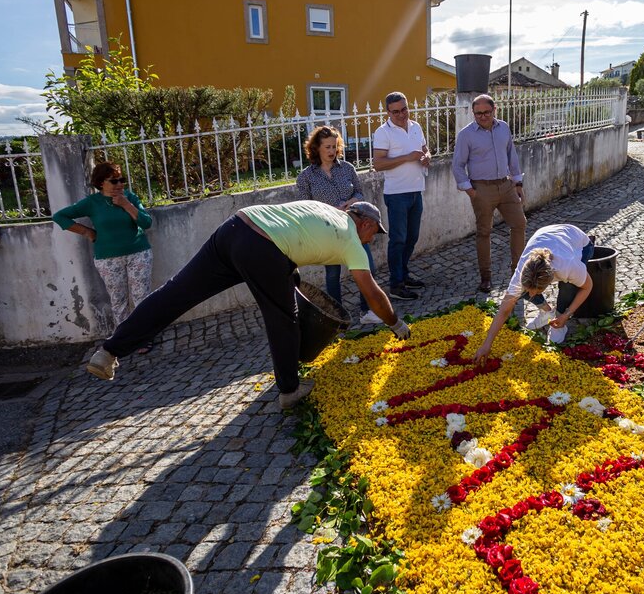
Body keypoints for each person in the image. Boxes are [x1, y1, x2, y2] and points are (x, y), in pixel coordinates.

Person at [85, 200, 410, 409]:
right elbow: (372, 293)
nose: (372, 239)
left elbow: (292, 235)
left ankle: (109, 351)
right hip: (263, 246)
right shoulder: (351, 240)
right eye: (374, 233)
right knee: (284, 318)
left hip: (235, 226)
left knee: (176, 293)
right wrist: (396, 323)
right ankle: (289, 390)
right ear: (365, 223)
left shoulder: (323, 208)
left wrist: (290, 274)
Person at [52, 162, 155, 351]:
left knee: (141, 298)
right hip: (108, 259)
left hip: (138, 253)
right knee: (118, 301)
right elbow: (60, 216)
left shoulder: (130, 197)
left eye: (121, 180)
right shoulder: (92, 203)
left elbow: (146, 223)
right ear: (101, 183)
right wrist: (87, 232)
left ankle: (143, 337)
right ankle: (125, 338)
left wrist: (126, 205)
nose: (119, 184)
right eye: (113, 181)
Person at [295, 126, 381, 325]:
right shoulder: (306, 177)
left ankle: (367, 311)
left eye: (334, 146)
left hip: (353, 227)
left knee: (367, 267)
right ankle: (337, 317)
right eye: (327, 147)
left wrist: (351, 202)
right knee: (333, 274)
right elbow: (304, 208)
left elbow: (359, 193)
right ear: (316, 148)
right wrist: (329, 210)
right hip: (327, 231)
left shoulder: (347, 168)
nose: (332, 151)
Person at [473, 224, 594, 363]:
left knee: (568, 287)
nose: (530, 296)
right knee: (519, 291)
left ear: (549, 281)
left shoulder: (567, 266)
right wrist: (486, 344)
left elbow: (587, 287)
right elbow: (504, 310)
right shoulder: (522, 271)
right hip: (548, 234)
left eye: (535, 292)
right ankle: (546, 312)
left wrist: (566, 315)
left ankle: (560, 324)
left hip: (581, 244)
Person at [452, 93, 527, 293]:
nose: (483, 116)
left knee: (519, 224)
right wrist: (470, 190)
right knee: (484, 232)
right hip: (481, 189)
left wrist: (518, 183)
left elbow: (511, 155)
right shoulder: (466, 135)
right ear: (473, 113)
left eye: (487, 112)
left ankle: (517, 274)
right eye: (478, 113)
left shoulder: (503, 128)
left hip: (506, 185)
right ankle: (485, 277)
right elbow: (458, 165)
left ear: (494, 110)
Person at [372, 91, 430, 302]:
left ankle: (403, 275)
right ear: (388, 112)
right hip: (396, 194)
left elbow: (425, 149)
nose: (401, 114)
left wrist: (426, 157)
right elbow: (378, 164)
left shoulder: (416, 126)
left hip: (416, 190)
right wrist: (407, 157)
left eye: (404, 109)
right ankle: (396, 284)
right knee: (398, 240)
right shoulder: (383, 132)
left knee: (412, 237)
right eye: (395, 112)